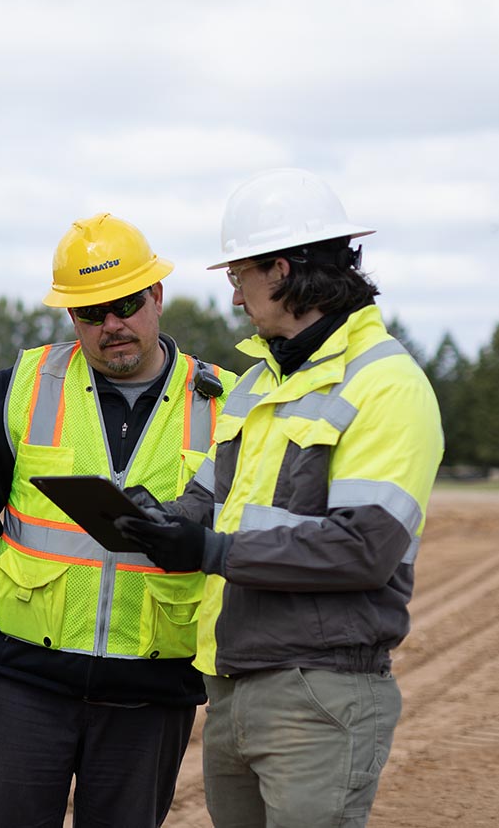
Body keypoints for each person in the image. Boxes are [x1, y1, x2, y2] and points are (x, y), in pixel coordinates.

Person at [114, 168, 444, 827]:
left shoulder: (386, 385)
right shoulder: (257, 382)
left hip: (319, 693)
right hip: (234, 685)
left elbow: (363, 548)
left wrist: (209, 549)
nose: (236, 298)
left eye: (238, 277)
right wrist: (161, 520)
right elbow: (210, 495)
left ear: (282, 270)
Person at [0, 212, 236, 827]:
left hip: (150, 694)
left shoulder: (223, 402)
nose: (111, 325)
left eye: (124, 304)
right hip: (22, 686)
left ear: (156, 297)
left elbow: (247, 541)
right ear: (72, 317)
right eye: (92, 312)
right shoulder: (23, 385)